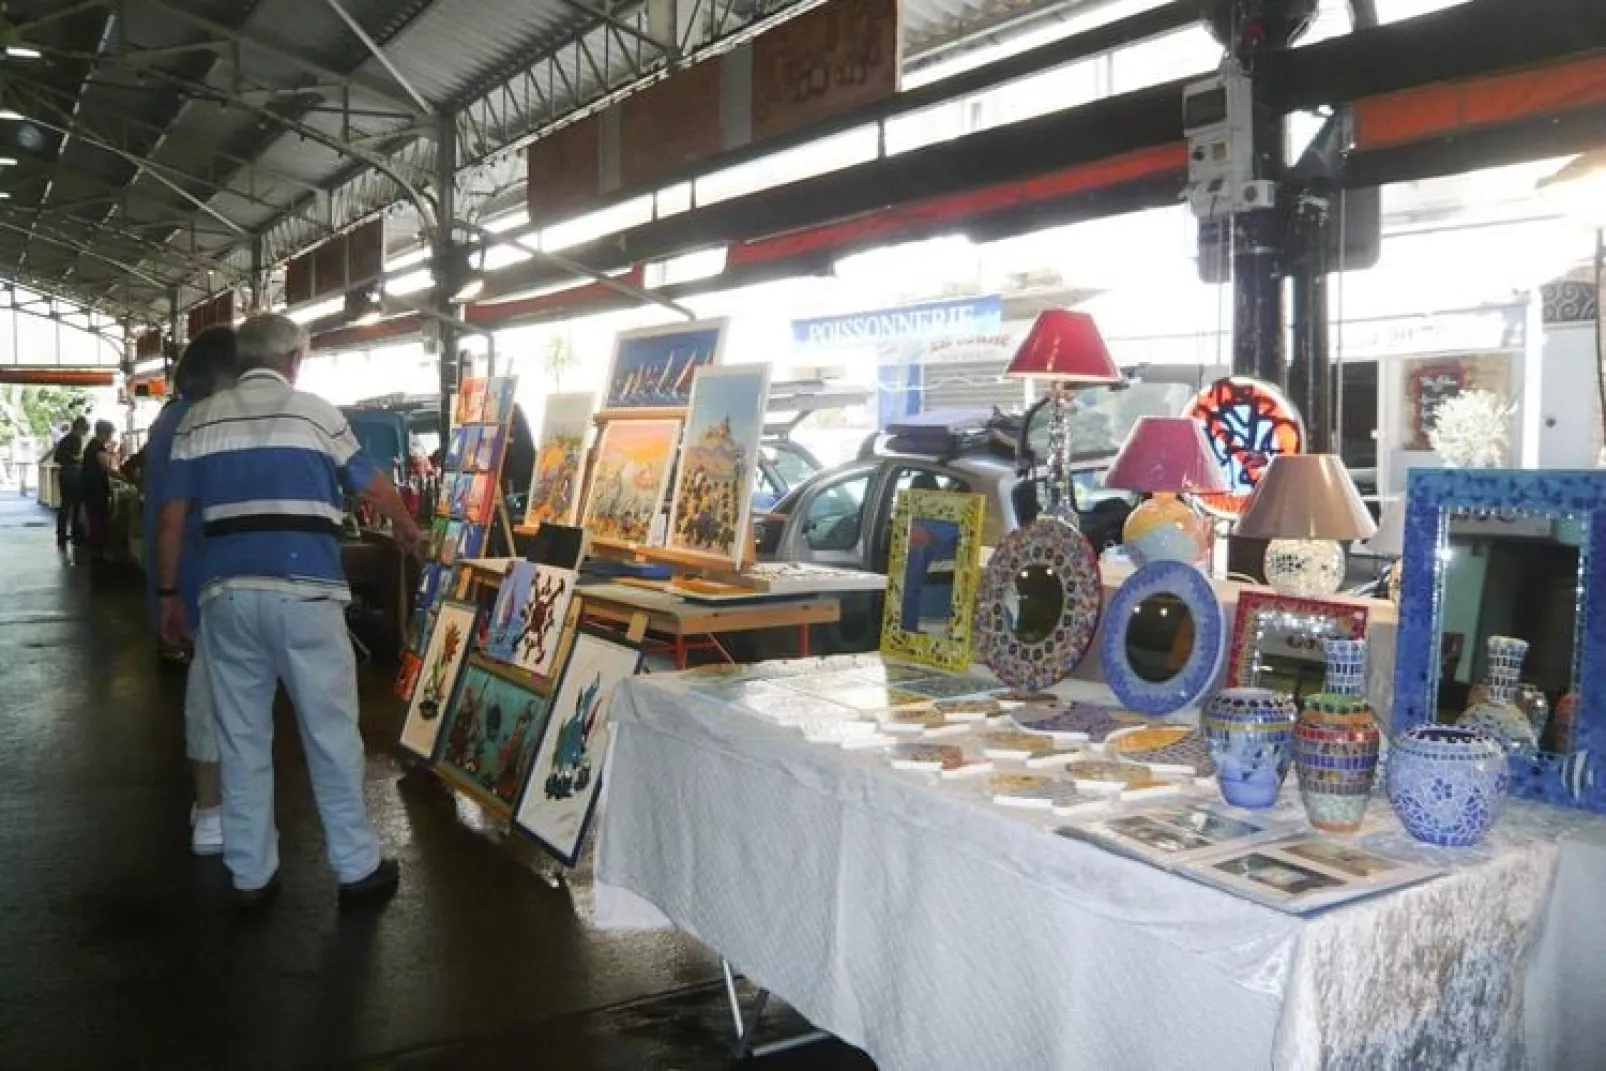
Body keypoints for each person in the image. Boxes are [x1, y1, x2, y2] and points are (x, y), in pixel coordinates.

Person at [156, 313, 424, 910]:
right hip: (306, 593)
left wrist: (170, 597)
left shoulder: (198, 420)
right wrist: (408, 530)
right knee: (330, 733)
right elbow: (373, 488)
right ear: (294, 360)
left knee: (242, 738)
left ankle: (250, 876)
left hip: (226, 597)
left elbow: (172, 519)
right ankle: (355, 869)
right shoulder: (316, 413)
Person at [143, 327, 240, 856]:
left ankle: (212, 808)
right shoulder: (198, 423)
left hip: (188, 580)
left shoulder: (169, 422)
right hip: (206, 580)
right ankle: (214, 813)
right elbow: (175, 519)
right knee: (216, 701)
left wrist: (163, 592)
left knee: (213, 695)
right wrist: (171, 592)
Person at [80, 420, 124, 560]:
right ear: (104, 433)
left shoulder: (91, 446)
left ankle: (95, 548)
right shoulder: (97, 447)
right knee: (99, 517)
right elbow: (107, 469)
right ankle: (99, 550)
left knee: (94, 518)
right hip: (96, 488)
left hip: (89, 486)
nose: (110, 438)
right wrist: (126, 478)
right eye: (110, 434)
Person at [52, 416, 89, 550]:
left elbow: (56, 458)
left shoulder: (64, 440)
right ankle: (75, 534)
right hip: (73, 475)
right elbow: (76, 457)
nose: (84, 434)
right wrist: (76, 459)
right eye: (84, 430)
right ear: (80, 428)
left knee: (65, 505)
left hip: (63, 474)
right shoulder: (75, 439)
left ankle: (61, 534)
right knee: (76, 505)